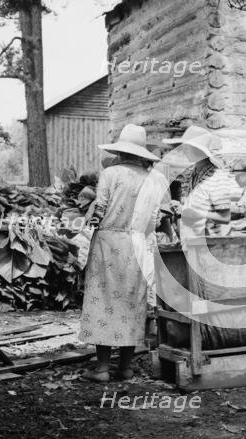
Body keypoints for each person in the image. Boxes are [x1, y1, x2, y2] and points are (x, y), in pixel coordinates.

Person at [79, 124, 165, 382]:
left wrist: (87, 226)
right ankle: (125, 368)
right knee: (132, 302)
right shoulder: (153, 179)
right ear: (141, 153)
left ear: (121, 151)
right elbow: (155, 219)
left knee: (103, 302)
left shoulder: (111, 173)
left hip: (109, 243)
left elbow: (100, 208)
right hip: (138, 244)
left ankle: (103, 369)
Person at [178, 133, 232, 240]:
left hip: (210, 244)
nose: (183, 151)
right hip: (190, 240)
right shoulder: (190, 174)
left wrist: (196, 213)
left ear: (196, 149)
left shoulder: (217, 177)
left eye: (186, 147)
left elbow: (225, 217)